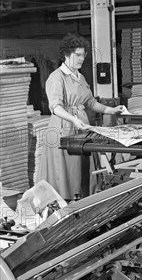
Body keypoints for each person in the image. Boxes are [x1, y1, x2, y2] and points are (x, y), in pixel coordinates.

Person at [38, 33, 126, 200]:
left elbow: (91, 103)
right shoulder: (56, 77)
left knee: (82, 167)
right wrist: (73, 119)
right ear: (66, 54)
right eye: (77, 55)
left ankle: (85, 201)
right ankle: (66, 204)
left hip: (81, 126)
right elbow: (55, 107)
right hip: (63, 128)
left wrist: (112, 110)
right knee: (66, 171)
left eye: (83, 55)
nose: (81, 59)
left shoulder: (80, 77)